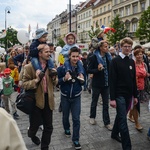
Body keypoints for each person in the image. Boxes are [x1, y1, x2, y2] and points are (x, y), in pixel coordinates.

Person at [22, 44, 58, 150]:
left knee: (49, 127)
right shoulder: (29, 67)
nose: (49, 53)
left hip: (48, 99)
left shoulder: (51, 66)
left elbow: (55, 83)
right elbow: (24, 84)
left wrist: (55, 78)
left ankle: (44, 147)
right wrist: (36, 81)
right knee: (34, 126)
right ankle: (31, 135)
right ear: (40, 53)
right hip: (35, 101)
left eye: (49, 51)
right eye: (46, 52)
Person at [109, 37, 138, 150]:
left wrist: (135, 95)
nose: (127, 48)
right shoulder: (115, 61)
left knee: (121, 116)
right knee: (123, 121)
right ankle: (127, 147)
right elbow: (112, 81)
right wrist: (112, 98)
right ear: (121, 47)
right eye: (125, 46)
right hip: (119, 95)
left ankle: (114, 134)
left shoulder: (131, 61)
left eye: (129, 46)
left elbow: (133, 80)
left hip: (128, 95)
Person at [57, 47, 85, 150]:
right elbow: (57, 82)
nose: (75, 58)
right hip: (65, 96)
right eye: (73, 56)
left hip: (76, 97)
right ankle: (66, 128)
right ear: (69, 56)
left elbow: (84, 81)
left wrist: (82, 80)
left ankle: (76, 139)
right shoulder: (62, 68)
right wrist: (64, 79)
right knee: (65, 116)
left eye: (77, 56)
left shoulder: (80, 69)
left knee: (76, 119)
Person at [87, 40, 112, 131]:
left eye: (108, 46)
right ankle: (92, 117)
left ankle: (107, 122)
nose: (107, 48)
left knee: (106, 104)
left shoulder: (109, 57)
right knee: (94, 101)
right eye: (105, 46)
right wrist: (97, 70)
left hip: (106, 84)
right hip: (97, 84)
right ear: (100, 47)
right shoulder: (94, 57)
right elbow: (89, 70)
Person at [128, 46, 148, 131]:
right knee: (136, 105)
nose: (139, 56)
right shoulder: (132, 64)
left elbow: (146, 74)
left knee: (134, 104)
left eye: (141, 54)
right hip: (134, 88)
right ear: (135, 56)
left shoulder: (144, 65)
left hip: (142, 87)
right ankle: (137, 123)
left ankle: (129, 115)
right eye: (138, 55)